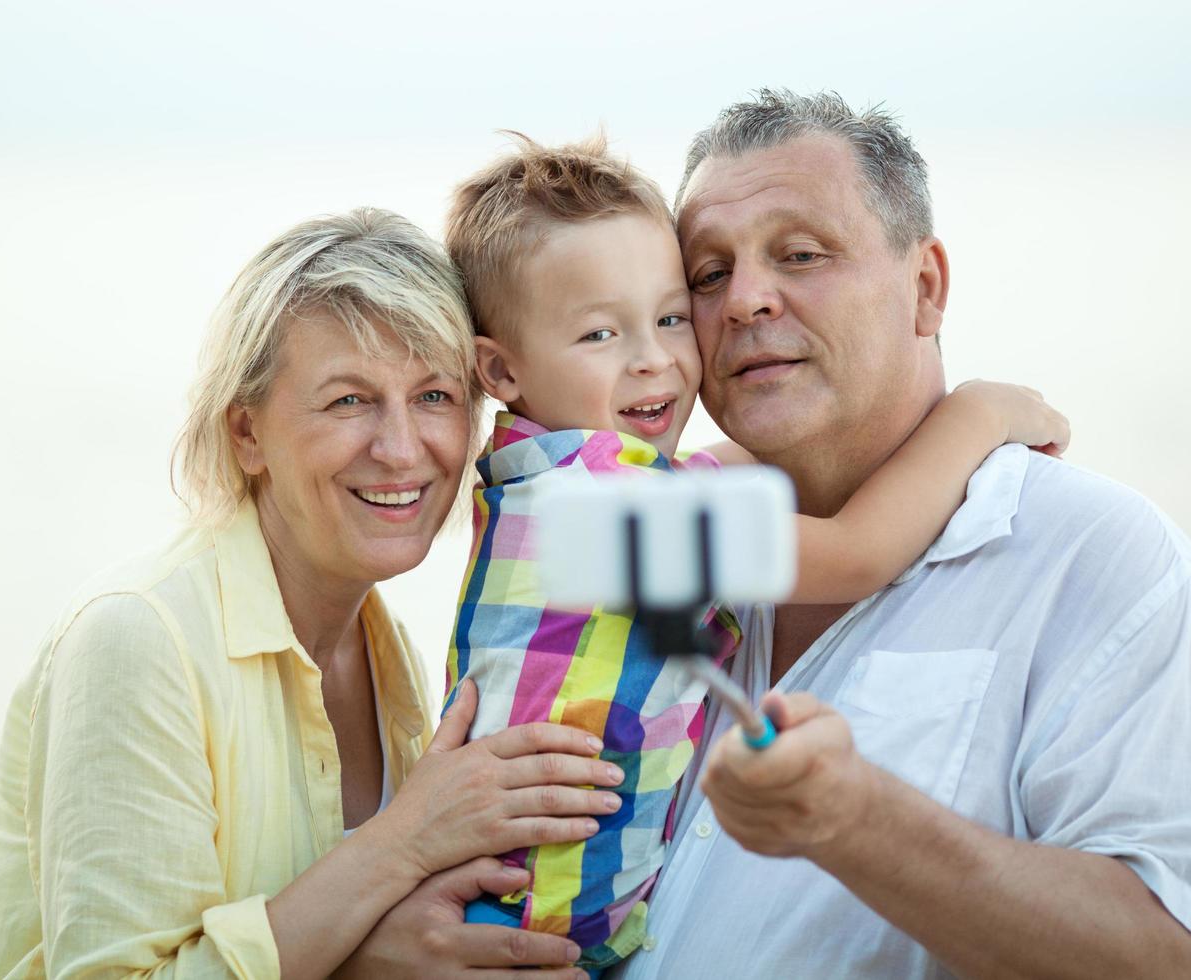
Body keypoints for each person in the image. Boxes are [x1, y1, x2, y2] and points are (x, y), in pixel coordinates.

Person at [349, 94, 1191, 980]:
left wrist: (855, 820)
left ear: (925, 287)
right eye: (707, 276)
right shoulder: (642, 512)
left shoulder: (1099, 558)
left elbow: (1172, 961)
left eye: (801, 254)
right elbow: (858, 547)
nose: (741, 301)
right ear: (501, 368)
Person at [0, 207, 623, 979]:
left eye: (433, 396)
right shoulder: (136, 639)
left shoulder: (382, 645)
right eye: (347, 400)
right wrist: (407, 842)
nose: (401, 449)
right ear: (246, 434)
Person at [433, 135, 1069, 975]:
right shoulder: (612, 511)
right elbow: (854, 552)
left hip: (518, 906)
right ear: (501, 371)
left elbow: (709, 475)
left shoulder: (535, 484)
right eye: (598, 334)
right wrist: (980, 416)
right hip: (532, 933)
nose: (653, 357)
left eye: (668, 317)